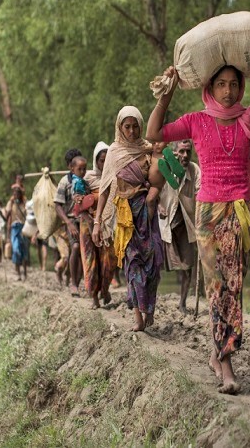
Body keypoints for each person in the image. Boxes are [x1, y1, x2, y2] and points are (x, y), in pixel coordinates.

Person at [146, 26, 250, 395]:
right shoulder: (196, 121)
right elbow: (154, 133)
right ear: (211, 87)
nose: (228, 91)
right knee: (216, 285)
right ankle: (225, 363)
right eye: (222, 84)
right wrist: (168, 92)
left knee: (235, 285)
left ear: (241, 87)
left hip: (239, 212)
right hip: (208, 212)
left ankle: (217, 351)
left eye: (234, 84)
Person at [92, 106, 164, 332]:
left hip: (147, 212)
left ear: (141, 127)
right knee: (132, 264)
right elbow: (104, 189)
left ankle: (149, 308)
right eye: (127, 127)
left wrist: (155, 194)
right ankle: (138, 318)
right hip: (125, 216)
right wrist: (97, 222)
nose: (132, 131)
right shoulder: (114, 153)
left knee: (152, 262)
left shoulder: (148, 149)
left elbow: (159, 178)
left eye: (135, 127)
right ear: (120, 128)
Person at [157, 139, 201, 313]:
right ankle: (151, 299)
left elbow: (200, 191)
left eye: (187, 152)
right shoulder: (164, 167)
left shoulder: (194, 170)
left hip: (187, 223)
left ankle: (182, 303)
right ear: (174, 153)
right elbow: (154, 188)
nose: (184, 156)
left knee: (187, 266)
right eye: (181, 152)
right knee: (158, 266)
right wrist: (159, 205)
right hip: (166, 223)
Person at [78, 141, 117, 309]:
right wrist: (93, 221)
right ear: (96, 160)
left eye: (108, 159)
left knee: (109, 259)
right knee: (90, 260)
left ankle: (105, 289)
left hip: (108, 223)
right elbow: (79, 206)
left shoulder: (115, 176)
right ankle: (94, 296)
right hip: (88, 224)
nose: (104, 163)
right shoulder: (86, 179)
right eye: (102, 160)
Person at [55, 149, 85, 295]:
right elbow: (57, 205)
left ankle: (79, 282)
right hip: (71, 220)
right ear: (70, 166)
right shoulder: (64, 182)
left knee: (83, 252)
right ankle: (74, 284)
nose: (81, 170)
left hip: (84, 220)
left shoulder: (85, 180)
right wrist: (68, 223)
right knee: (75, 248)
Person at [4, 186, 28, 281]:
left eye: (18, 194)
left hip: (24, 228)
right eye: (15, 194)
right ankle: (18, 273)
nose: (16, 195)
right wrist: (8, 234)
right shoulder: (11, 203)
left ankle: (25, 272)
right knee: (16, 250)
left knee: (24, 251)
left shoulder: (24, 203)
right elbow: (7, 218)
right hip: (14, 228)